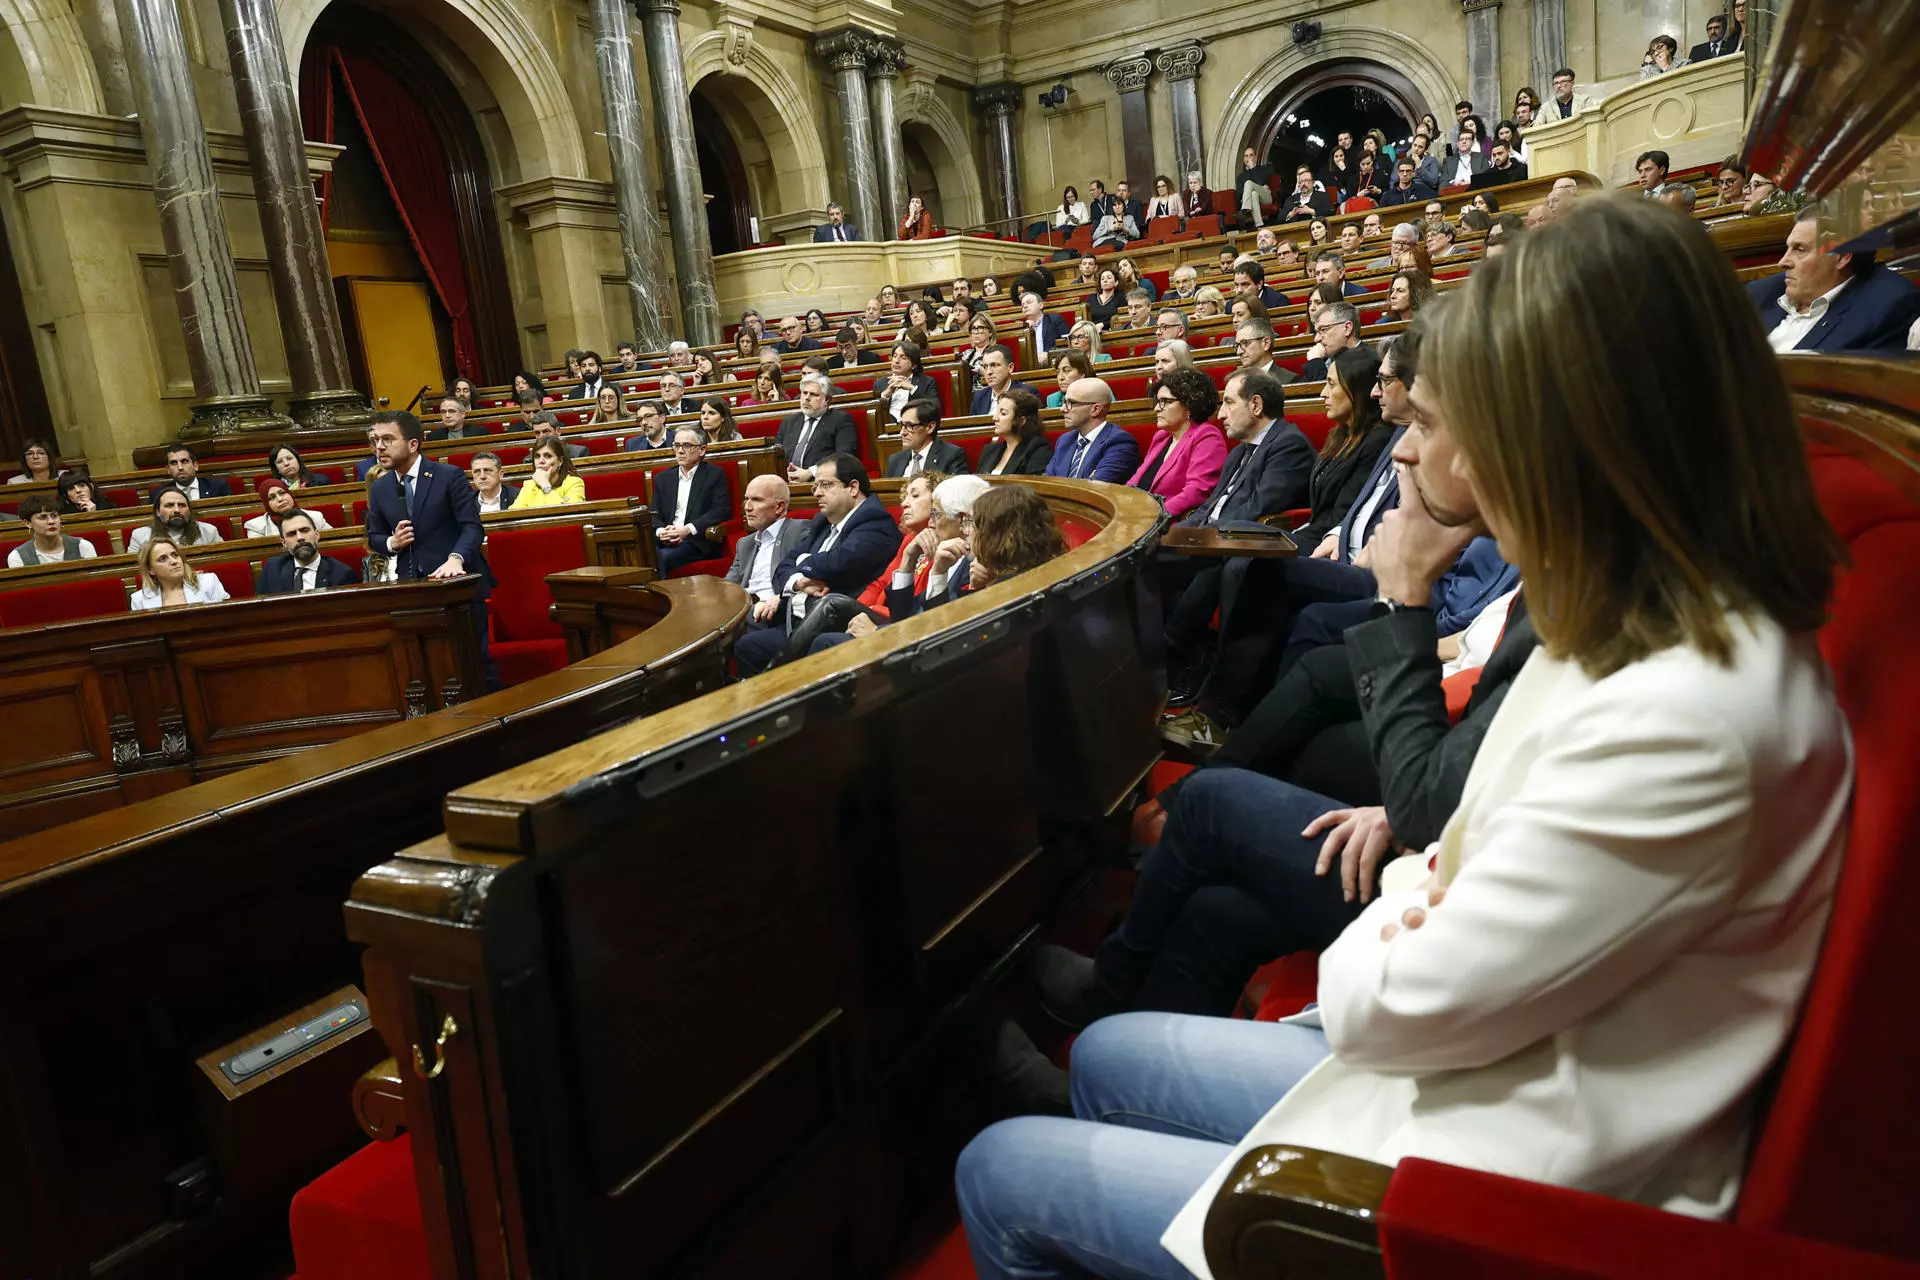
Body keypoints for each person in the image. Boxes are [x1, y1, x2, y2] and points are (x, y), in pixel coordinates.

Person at [955, 191, 1850, 1280]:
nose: (1414, 458)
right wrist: (1431, 890)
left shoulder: (1686, 709)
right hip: (1480, 1071)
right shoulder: (1626, 608)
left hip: (1491, 1191)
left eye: (1428, 422)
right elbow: (1449, 846)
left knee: (1000, 1169)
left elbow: (1381, 999)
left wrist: (1418, 903)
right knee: (1105, 1051)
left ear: (1546, 437)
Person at [730, 453, 900, 676]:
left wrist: (803, 563)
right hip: (797, 617)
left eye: (826, 485)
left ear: (853, 487)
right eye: (815, 486)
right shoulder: (822, 522)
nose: (817, 492)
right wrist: (799, 581)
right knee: (748, 647)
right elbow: (784, 566)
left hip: (839, 623)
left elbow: (838, 563)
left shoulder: (875, 521)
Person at [1751, 204, 1920, 352]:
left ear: (1842, 256)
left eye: (1800, 249)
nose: (1783, 262)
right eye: (1788, 249)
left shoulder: (1887, 306)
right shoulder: (1760, 293)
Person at [1130, 369, 1228, 520]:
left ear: (1189, 406)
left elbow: (1196, 492)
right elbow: (1134, 483)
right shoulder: (1161, 437)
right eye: (1157, 402)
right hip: (1135, 518)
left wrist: (1150, 516)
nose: (1157, 408)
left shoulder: (1207, 436)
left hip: (1167, 525)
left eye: (1166, 402)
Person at [647, 425, 732, 573]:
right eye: (677, 445)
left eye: (686, 446)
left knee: (660, 558)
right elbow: (654, 514)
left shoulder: (714, 474)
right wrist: (661, 531)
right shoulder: (663, 478)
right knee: (642, 556)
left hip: (695, 541)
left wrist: (686, 530)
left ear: (702, 450)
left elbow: (720, 510)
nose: (680, 451)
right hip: (665, 539)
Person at [726, 475, 810, 617]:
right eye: (746, 499)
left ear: (779, 507)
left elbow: (805, 580)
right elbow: (728, 587)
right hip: (743, 609)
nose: (747, 507)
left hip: (773, 612)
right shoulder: (745, 544)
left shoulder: (800, 531)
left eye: (756, 500)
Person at [1047, 378, 1142, 482]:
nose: (1062, 409)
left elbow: (1094, 490)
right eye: (1064, 402)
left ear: (1095, 410)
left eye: (1070, 403)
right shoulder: (1065, 440)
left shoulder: (1120, 442)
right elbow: (1048, 483)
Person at [780, 372, 862, 480]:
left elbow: (844, 456)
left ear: (827, 400)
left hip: (820, 480)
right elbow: (777, 455)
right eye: (804, 393)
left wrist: (811, 472)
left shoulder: (840, 420)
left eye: (814, 394)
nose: (807, 398)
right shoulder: (788, 422)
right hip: (785, 482)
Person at [259, 510, 359, 594]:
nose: (300, 537)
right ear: (283, 542)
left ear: (317, 535)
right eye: (292, 534)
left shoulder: (342, 574)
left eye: (305, 530)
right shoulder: (272, 568)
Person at [129, 536, 231, 610]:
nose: (174, 561)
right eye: (162, 559)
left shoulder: (208, 582)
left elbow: (226, 618)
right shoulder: (139, 600)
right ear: (150, 569)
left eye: (175, 555)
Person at [979, 386, 1054, 476]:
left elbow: (1031, 487)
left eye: (1003, 413)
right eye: (997, 411)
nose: (994, 418)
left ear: (1021, 421)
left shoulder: (1037, 448)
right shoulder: (989, 450)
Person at [6, 495, 98, 566]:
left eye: (54, 516)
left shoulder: (83, 546)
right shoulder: (17, 557)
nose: (51, 521)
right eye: (43, 517)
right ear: (28, 523)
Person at [887, 399, 971, 477]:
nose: (902, 433)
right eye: (902, 425)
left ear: (930, 427)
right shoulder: (895, 460)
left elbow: (956, 491)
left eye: (909, 426)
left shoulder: (951, 456)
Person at [130, 488, 221, 552]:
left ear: (189, 511)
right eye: (169, 505)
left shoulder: (209, 531)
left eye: (182, 505)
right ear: (157, 512)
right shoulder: (140, 536)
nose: (177, 510)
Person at [243, 477, 334, 539]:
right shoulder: (256, 527)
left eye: (282, 493)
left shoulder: (315, 517)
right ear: (267, 504)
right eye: (272, 497)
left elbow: (332, 543)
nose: (280, 499)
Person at [873, 344, 939, 428]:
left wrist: (912, 388)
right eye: (895, 356)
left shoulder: (927, 382)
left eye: (903, 358)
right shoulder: (879, 384)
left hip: (914, 429)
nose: (896, 361)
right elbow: (874, 414)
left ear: (914, 365)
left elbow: (935, 409)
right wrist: (885, 396)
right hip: (887, 431)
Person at [509, 439, 586, 509]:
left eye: (548, 456)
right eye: (537, 456)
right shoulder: (529, 486)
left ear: (560, 461)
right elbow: (514, 514)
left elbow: (569, 512)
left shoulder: (574, 483)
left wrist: (545, 486)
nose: (541, 461)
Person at [149, 445, 233, 504]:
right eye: (174, 463)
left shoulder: (218, 487)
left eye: (184, 461)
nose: (180, 467)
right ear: (168, 470)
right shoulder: (159, 494)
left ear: (195, 466)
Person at [1301, 301, 1360, 382]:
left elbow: (1331, 392)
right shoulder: (1327, 361)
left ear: (1347, 328)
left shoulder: (1367, 362)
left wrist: (1315, 363)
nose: (1316, 339)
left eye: (1323, 329)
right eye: (1316, 332)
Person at [968, 346, 1032, 416]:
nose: (989, 372)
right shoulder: (979, 397)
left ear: (1010, 368)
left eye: (994, 365)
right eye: (985, 367)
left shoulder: (1026, 394)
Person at [1021, 289, 1071, 363]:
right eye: (1022, 305)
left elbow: (1067, 343)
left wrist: (1049, 354)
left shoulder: (1055, 320)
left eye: (1029, 302)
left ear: (1041, 305)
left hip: (1053, 362)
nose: (1025, 306)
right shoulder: (1022, 328)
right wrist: (1027, 328)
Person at [1236, 146, 1276, 225]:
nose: (1249, 158)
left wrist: (1252, 168)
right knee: (1254, 194)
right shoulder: (1240, 176)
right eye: (1246, 156)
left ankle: (1244, 210)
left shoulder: (1263, 169)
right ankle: (1259, 225)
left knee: (1248, 183)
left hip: (1265, 197)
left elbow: (1260, 182)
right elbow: (1239, 194)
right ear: (1244, 159)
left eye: (1251, 155)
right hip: (1252, 199)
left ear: (1255, 157)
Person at [1084, 266, 1124, 331]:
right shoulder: (1091, 298)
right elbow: (1086, 319)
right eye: (1102, 279)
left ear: (1116, 282)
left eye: (1109, 278)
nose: (1105, 280)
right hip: (1093, 331)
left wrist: (1102, 324)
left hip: (1113, 331)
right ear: (1100, 283)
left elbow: (1121, 318)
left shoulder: (1121, 297)